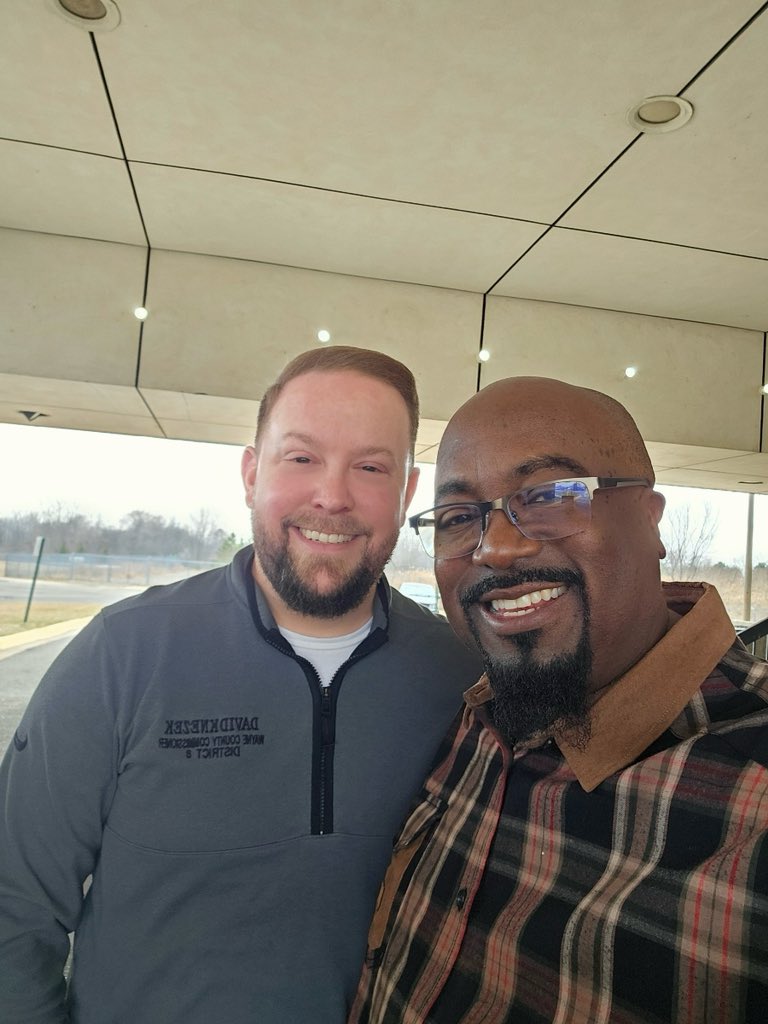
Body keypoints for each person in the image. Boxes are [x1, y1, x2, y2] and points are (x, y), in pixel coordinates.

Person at [0, 346, 481, 1024]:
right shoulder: (123, 654)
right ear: (252, 474)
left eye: (371, 467)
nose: (333, 496)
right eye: (301, 457)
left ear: (405, 494)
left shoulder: (459, 676)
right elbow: (13, 905)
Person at [350, 376, 768, 1024]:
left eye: (549, 496)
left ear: (652, 518)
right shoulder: (473, 715)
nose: (495, 547)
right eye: (459, 518)